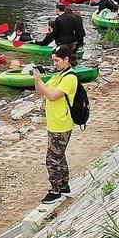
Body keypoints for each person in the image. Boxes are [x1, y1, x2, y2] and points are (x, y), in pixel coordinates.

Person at [32, 46, 77, 204]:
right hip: (53, 122)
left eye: (57, 60)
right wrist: (37, 79)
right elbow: (42, 92)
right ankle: (64, 187)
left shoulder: (70, 78)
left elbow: (52, 96)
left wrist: (39, 81)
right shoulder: (58, 75)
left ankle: (55, 190)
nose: (55, 63)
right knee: (59, 157)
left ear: (66, 59)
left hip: (62, 124)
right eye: (53, 60)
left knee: (52, 160)